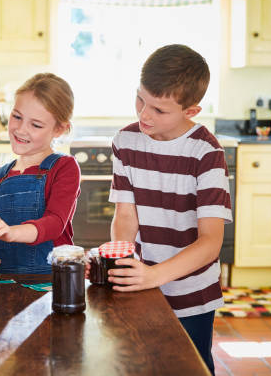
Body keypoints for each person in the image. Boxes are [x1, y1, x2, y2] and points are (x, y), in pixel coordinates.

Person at [93, 44, 232, 375]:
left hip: (191, 294)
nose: (144, 115)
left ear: (191, 111)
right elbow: (126, 216)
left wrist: (156, 275)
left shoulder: (206, 153)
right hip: (142, 283)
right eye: (140, 99)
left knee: (189, 368)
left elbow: (210, 242)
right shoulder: (125, 141)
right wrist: (123, 264)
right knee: (139, 364)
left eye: (158, 109)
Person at [0, 73, 81, 274]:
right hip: (1, 285)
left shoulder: (64, 167)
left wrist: (12, 233)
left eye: (35, 125)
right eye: (17, 117)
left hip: (50, 283)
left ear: (60, 129)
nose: (20, 129)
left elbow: (55, 222)